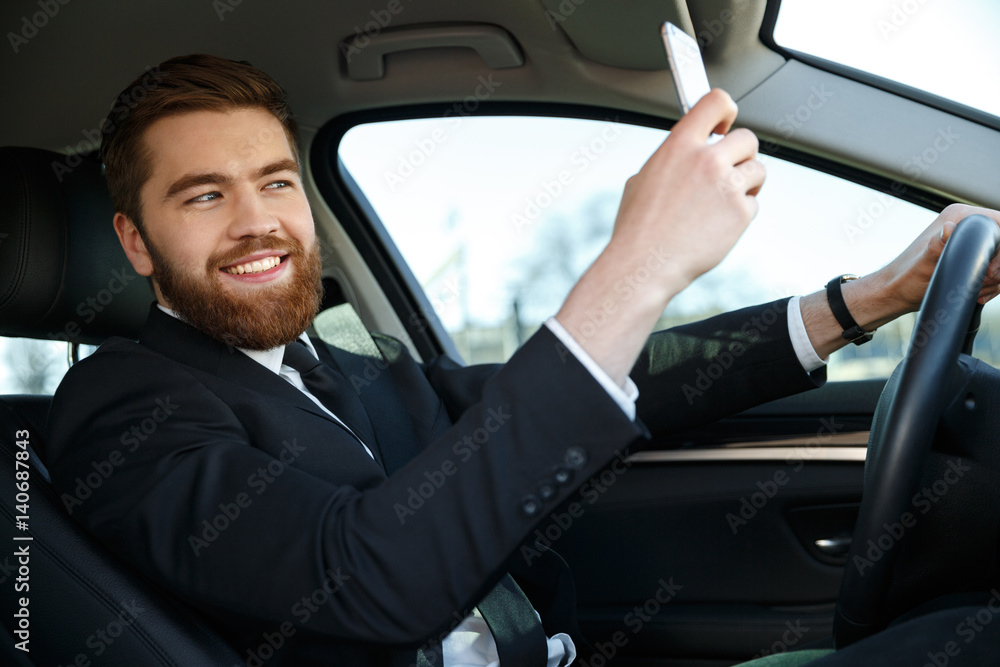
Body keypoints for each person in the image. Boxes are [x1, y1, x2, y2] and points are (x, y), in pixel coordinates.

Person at [46, 54, 1000, 667]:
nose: (259, 220)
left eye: (276, 182)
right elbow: (372, 579)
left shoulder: (338, 370)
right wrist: (640, 258)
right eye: (204, 196)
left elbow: (596, 385)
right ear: (135, 243)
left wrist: (867, 298)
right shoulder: (118, 410)